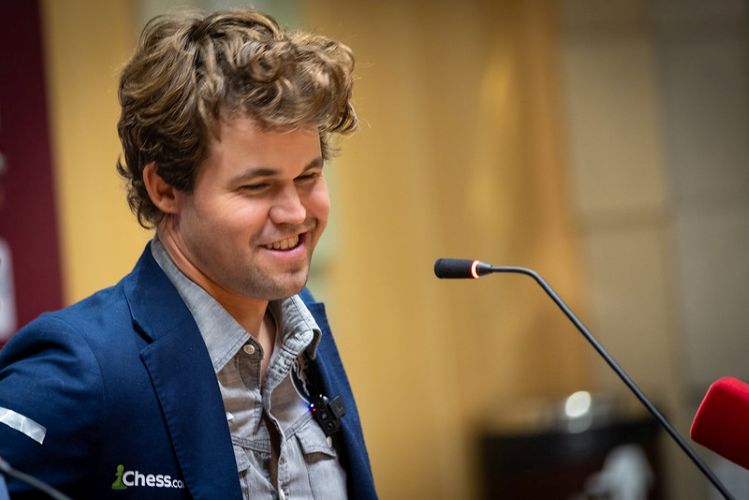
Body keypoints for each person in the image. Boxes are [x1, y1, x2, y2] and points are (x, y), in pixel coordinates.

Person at [0, 9, 376, 499]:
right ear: (164, 188)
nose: (295, 212)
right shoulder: (80, 366)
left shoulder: (306, 335)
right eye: (257, 186)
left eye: (308, 176)